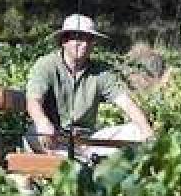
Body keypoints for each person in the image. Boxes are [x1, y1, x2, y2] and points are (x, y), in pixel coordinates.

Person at [25, 13, 153, 156]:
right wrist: (43, 122)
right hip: (54, 137)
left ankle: (83, 157)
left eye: (89, 39)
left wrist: (146, 131)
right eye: (78, 38)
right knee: (35, 132)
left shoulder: (101, 72)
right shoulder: (46, 65)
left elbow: (126, 103)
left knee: (136, 130)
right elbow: (33, 101)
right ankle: (81, 159)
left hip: (87, 140)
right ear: (64, 41)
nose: (84, 44)